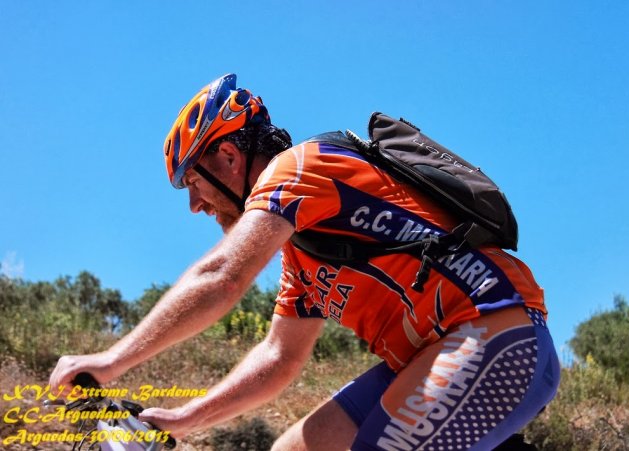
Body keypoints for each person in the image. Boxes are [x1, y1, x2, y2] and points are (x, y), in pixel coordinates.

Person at [50, 73, 560, 450]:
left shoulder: (299, 169)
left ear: (228, 156)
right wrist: (182, 421)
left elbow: (222, 277)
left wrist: (111, 361)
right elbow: (279, 357)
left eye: (194, 183)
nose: (195, 206)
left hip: (494, 336)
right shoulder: (301, 258)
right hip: (435, 357)